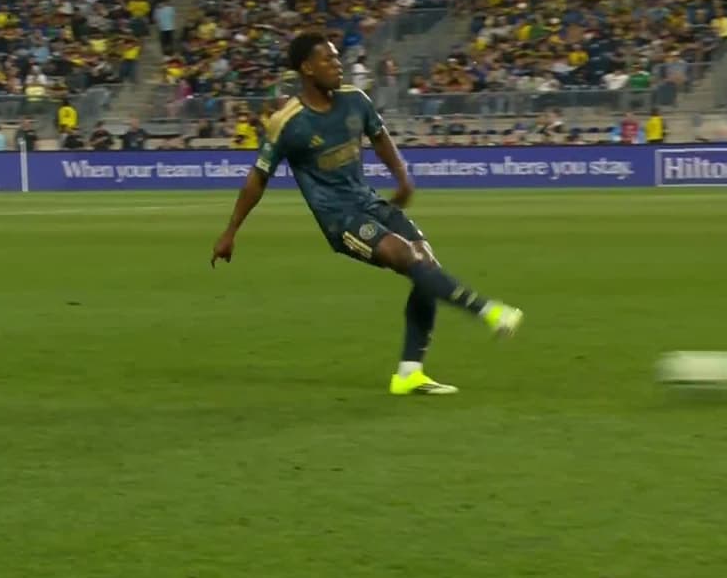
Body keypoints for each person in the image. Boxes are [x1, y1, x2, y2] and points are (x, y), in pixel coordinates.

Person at [210, 33, 523, 396]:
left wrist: (402, 178)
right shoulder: (287, 122)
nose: (338, 64)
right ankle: (487, 310)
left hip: (370, 203)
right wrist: (230, 231)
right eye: (328, 59)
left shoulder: (355, 100)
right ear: (307, 68)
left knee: (427, 266)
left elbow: (380, 137)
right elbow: (257, 179)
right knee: (407, 257)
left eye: (337, 57)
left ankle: (409, 373)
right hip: (339, 219)